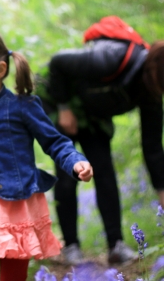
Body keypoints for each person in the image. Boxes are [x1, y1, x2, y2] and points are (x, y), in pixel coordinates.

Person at [0, 29, 93, 281]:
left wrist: (75, 161)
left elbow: (54, 142)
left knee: (12, 271)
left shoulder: (23, 106)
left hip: (16, 199)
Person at [36, 36, 164, 265]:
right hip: (59, 99)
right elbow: (57, 63)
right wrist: (64, 108)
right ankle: (71, 246)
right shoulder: (111, 58)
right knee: (68, 173)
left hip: (92, 115)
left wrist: (162, 190)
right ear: (155, 69)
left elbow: (152, 147)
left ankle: (116, 246)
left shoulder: (152, 91)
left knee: (103, 170)